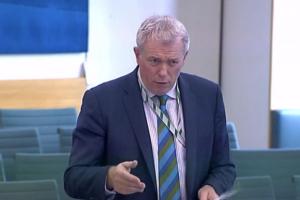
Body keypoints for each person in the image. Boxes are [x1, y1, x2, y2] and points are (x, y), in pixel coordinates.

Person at [64, 15, 235, 200]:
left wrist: (212, 186)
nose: (163, 72)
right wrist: (109, 178)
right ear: (137, 55)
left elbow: (224, 167)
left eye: (172, 62)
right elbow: (74, 178)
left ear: (184, 57)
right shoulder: (101, 101)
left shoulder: (208, 96)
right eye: (154, 61)